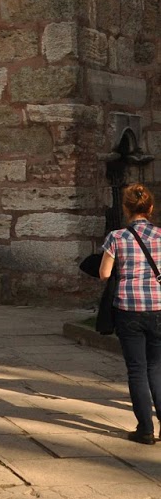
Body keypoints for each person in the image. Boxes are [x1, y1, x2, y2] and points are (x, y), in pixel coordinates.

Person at [100, 183, 161, 444]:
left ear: (125, 208)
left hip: (128, 308)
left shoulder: (116, 237)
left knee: (136, 369)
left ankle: (145, 429)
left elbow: (104, 273)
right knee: (157, 368)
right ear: (150, 208)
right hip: (159, 307)